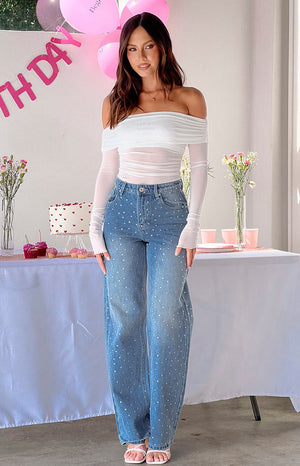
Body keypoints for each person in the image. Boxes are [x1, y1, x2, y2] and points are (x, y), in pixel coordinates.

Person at [89, 12, 208, 465]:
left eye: (148, 46)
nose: (140, 57)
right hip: (119, 213)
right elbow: (107, 168)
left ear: (162, 46)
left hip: (169, 213)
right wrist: (94, 226)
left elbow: (198, 165)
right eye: (131, 48)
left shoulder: (189, 99)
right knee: (123, 318)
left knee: (165, 319)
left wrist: (193, 221)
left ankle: (161, 432)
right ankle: (132, 432)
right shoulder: (114, 102)